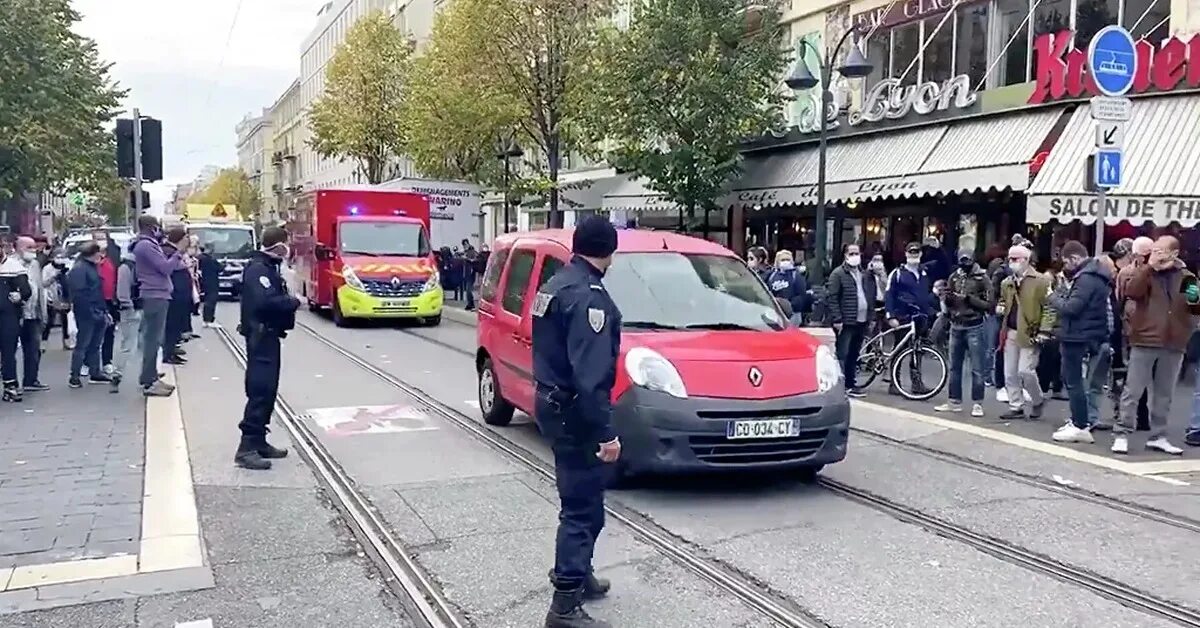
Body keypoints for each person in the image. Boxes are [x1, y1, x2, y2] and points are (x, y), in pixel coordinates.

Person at [531, 215, 622, 628]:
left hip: (552, 403)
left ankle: (579, 574)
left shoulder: (555, 285)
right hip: (576, 414)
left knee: (587, 504)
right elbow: (590, 375)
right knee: (581, 509)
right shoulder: (589, 296)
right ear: (609, 251)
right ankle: (564, 604)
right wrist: (605, 432)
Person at [1113, 235, 1199, 455]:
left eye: (1161, 250)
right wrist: (1148, 268)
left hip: (1174, 342)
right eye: (1154, 250)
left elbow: (1196, 306)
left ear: (1174, 253)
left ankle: (1158, 435)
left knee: (1165, 392)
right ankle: (1122, 433)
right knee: (1133, 389)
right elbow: (1132, 292)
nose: (1156, 254)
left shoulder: (1187, 277)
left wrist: (1188, 325)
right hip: (1145, 338)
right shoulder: (1145, 273)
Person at [236, 226, 301, 470]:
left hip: (269, 335)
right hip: (260, 336)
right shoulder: (258, 269)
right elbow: (266, 301)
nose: (289, 247)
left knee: (269, 389)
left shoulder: (268, 267)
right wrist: (293, 302)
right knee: (260, 389)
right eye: (286, 242)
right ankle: (247, 447)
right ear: (278, 245)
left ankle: (259, 441)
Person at [1048, 240, 1114, 444]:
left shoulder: (1085, 278)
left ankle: (1080, 425)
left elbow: (1072, 307)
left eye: (1066, 262)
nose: (1065, 267)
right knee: (1078, 382)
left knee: (1073, 381)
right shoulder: (1099, 275)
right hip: (1089, 334)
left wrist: (1053, 296)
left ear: (1075, 258)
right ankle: (1080, 421)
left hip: (1077, 336)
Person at [997, 244, 1056, 420]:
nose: (1011, 262)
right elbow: (1003, 300)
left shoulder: (1041, 281)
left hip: (1031, 332)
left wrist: (1045, 330)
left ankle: (1037, 400)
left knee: (1025, 370)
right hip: (1011, 330)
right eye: (1009, 259)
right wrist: (1001, 307)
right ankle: (1016, 405)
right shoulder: (1007, 283)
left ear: (1026, 260)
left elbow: (1049, 307)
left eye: (1015, 259)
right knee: (1010, 372)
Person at [935, 248, 993, 417]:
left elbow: (989, 304)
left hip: (975, 325)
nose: (964, 264)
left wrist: (969, 299)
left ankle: (977, 403)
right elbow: (949, 300)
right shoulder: (954, 276)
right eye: (962, 260)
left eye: (967, 260)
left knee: (977, 367)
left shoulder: (982, 278)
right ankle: (954, 401)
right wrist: (946, 297)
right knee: (954, 366)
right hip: (956, 324)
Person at [132, 215, 178, 397]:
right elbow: (165, 268)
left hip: (158, 294)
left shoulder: (148, 244)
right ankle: (149, 381)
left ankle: (150, 377)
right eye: (157, 227)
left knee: (155, 338)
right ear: (152, 227)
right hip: (155, 295)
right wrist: (178, 253)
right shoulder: (146, 245)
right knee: (153, 339)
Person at [826, 243, 877, 397]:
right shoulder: (838, 274)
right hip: (846, 321)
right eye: (852, 253)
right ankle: (841, 386)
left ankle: (850, 383)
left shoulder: (864, 274)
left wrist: (871, 316)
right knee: (843, 353)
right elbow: (832, 297)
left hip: (861, 320)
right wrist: (837, 319)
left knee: (854, 353)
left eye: (857, 253)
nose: (855, 256)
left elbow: (870, 296)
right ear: (846, 255)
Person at [66, 241, 112, 388]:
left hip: (96, 310)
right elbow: (80, 295)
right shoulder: (81, 269)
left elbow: (97, 292)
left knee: (94, 344)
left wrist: (104, 311)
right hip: (87, 312)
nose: (100, 255)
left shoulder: (89, 267)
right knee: (83, 344)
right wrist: (93, 312)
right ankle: (75, 376)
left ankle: (94, 372)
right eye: (98, 252)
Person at [13, 236, 48, 392]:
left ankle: (30, 380)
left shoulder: (35, 265)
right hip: (16, 314)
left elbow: (39, 288)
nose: (33, 251)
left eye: (34, 247)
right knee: (9, 349)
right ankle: (11, 381)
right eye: (29, 248)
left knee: (33, 348)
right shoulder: (11, 264)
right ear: (19, 248)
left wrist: (43, 312)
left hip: (33, 313)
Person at [0, 237, 32, 401]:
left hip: (8, 317)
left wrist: (20, 296)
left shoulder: (13, 267)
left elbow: (26, 290)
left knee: (8, 351)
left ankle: (10, 385)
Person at [111, 245, 141, 392]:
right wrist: (128, 305)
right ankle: (117, 374)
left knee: (139, 343)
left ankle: (147, 373)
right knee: (128, 343)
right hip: (131, 310)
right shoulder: (127, 267)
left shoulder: (135, 265)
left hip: (139, 308)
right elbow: (122, 291)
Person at [161, 227, 191, 365]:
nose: (188, 240)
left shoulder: (176, 252)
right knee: (171, 325)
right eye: (186, 237)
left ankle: (171, 349)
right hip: (174, 295)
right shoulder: (168, 251)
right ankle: (168, 352)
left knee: (175, 325)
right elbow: (169, 269)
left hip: (180, 296)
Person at [766, 250, 809, 325]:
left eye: (788, 260)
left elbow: (802, 295)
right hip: (776, 313)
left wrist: (790, 306)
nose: (785, 262)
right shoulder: (772, 276)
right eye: (783, 260)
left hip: (793, 313)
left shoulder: (796, 276)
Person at [98, 237, 120, 374]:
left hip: (109, 301)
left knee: (108, 332)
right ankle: (88, 363)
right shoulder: (89, 265)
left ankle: (107, 361)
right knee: (93, 334)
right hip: (95, 301)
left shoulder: (111, 263)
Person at [198, 245, 222, 327]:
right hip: (212, 282)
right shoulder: (211, 259)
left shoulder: (200, 258)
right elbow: (220, 268)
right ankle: (208, 320)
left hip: (203, 281)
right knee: (211, 300)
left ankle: (207, 319)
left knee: (207, 300)